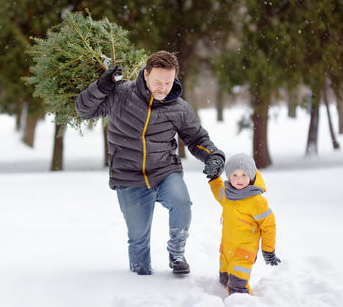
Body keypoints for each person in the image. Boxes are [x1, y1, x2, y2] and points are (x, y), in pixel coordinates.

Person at [75, 51, 225, 275]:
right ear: (146, 74)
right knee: (138, 240)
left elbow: (197, 139)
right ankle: (140, 281)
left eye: (168, 82)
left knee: (182, 203)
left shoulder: (179, 108)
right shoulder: (120, 94)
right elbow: (83, 110)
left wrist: (214, 156)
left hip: (165, 172)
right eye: (158, 81)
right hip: (128, 177)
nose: (163, 88)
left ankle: (177, 253)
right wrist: (102, 85)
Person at [208, 153, 280, 295]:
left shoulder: (257, 201)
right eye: (234, 175)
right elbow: (218, 191)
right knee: (224, 282)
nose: (239, 179)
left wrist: (268, 250)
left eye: (244, 175)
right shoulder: (227, 194)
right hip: (226, 250)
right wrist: (214, 177)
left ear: (252, 176)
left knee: (237, 287)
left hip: (244, 253)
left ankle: (243, 303)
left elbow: (269, 226)